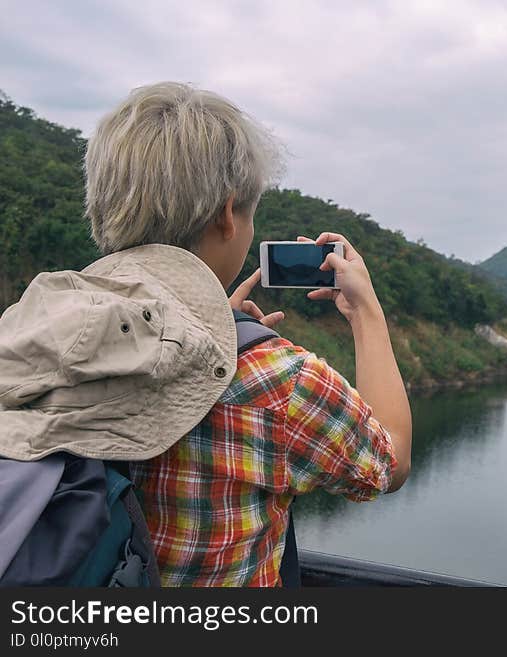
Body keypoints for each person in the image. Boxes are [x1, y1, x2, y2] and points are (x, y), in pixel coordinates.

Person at [76, 81, 410, 586]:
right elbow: (389, 462)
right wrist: (366, 312)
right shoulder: (276, 382)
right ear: (228, 214)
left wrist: (211, 324)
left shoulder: (45, 331)